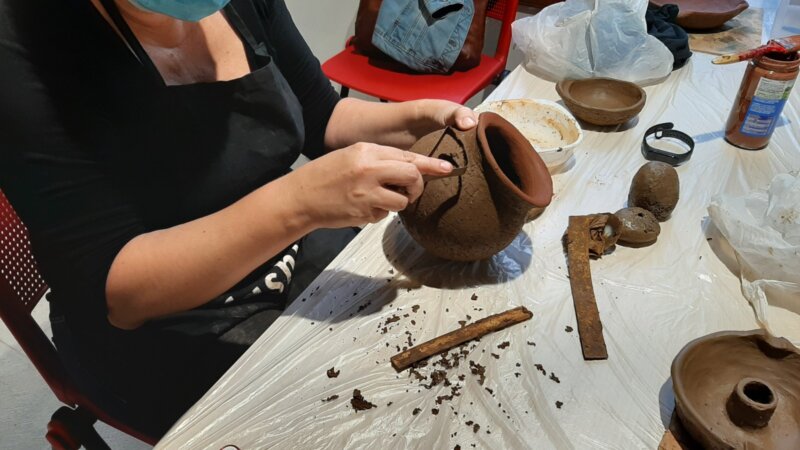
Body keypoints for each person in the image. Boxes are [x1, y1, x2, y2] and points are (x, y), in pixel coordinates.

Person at [0, 0, 478, 437]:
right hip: (159, 333)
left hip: (289, 256)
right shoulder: (23, 42)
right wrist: (300, 203)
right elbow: (121, 293)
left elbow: (322, 115)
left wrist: (414, 122)